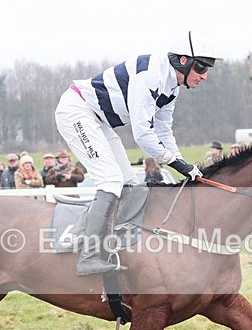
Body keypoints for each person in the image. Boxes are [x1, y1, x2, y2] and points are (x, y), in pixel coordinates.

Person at [54, 30, 215, 275]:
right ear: (183, 61)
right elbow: (143, 135)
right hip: (77, 111)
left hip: (99, 120)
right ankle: (88, 255)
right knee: (111, 180)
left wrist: (184, 164)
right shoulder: (150, 76)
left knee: (131, 185)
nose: (204, 76)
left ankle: (113, 242)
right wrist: (175, 163)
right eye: (201, 68)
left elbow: (164, 131)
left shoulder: (172, 87)